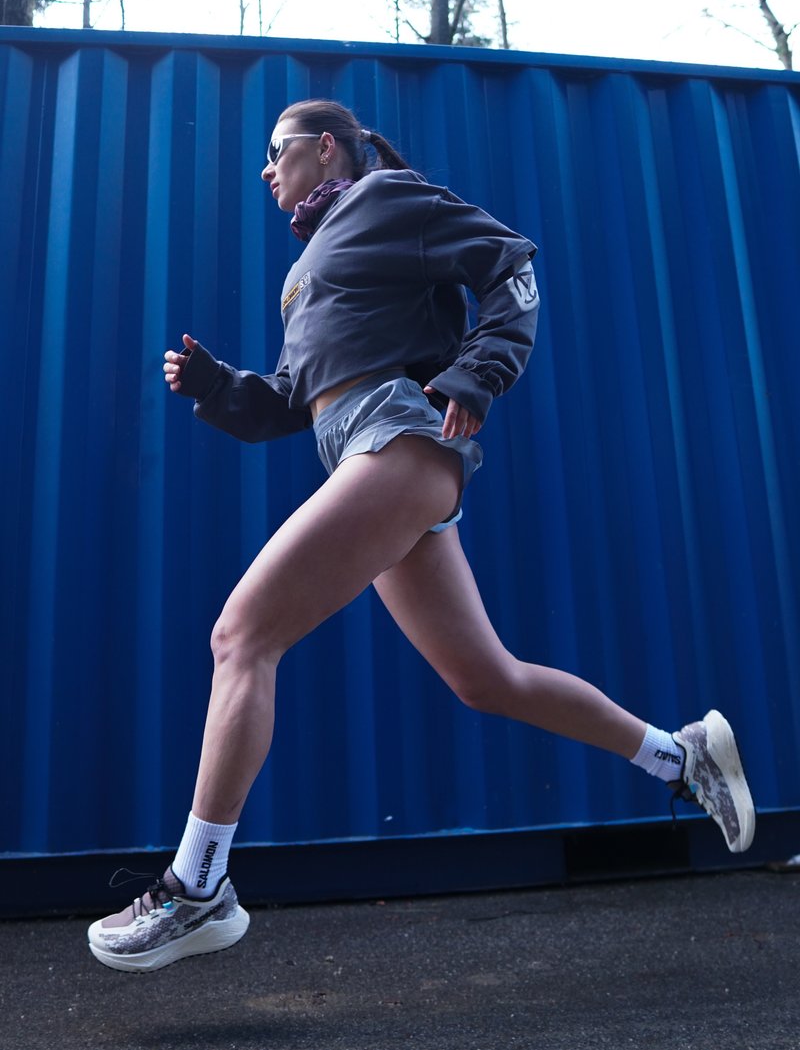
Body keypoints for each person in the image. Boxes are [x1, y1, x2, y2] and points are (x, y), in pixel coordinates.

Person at [87, 99, 755, 973]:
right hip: (369, 458)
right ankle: (679, 756)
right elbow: (293, 402)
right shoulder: (305, 272)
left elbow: (511, 266)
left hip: (397, 444)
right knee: (487, 678)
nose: (265, 170)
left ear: (325, 148)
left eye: (276, 152)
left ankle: (198, 883)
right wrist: (220, 386)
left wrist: (481, 371)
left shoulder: (388, 198)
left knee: (241, 634)